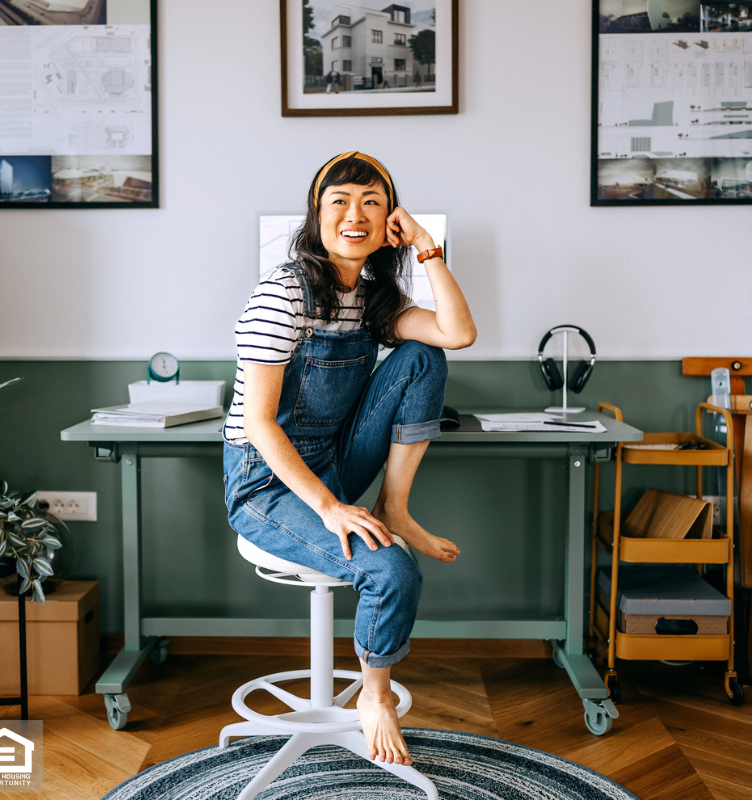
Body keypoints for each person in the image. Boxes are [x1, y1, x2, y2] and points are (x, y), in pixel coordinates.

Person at [223, 152, 476, 766]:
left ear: (391, 219)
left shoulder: (372, 296)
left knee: (424, 358)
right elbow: (258, 423)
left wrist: (428, 248)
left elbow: (457, 333)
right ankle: (375, 695)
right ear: (317, 215)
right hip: (268, 485)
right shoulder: (282, 292)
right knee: (393, 570)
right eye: (339, 201)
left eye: (372, 203)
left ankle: (395, 505)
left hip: (336, 460)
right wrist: (331, 507)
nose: (355, 215)